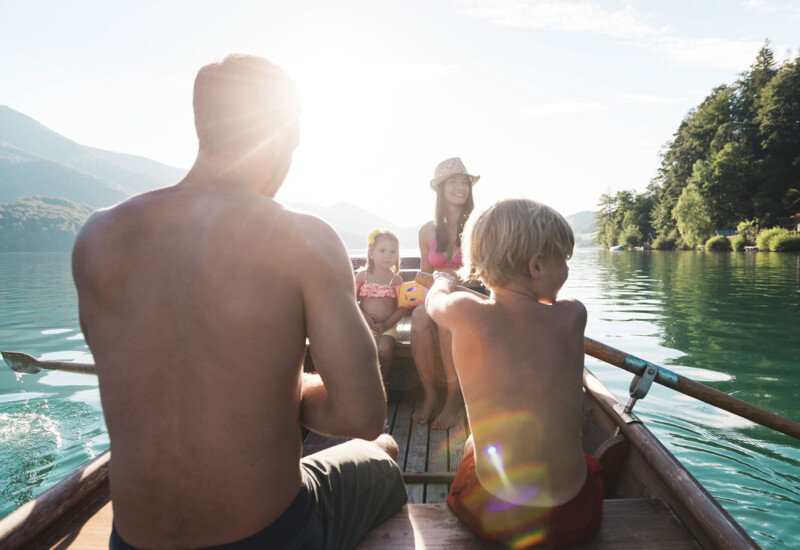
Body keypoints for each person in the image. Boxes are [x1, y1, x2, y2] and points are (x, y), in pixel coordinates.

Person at [72, 54, 406, 550]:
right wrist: (272, 390)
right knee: (382, 452)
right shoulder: (304, 239)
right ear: (285, 136)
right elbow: (361, 414)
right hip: (273, 537)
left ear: (203, 126)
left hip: (131, 541)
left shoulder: (97, 237)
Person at [424, 198, 603, 547]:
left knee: (476, 443)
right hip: (576, 515)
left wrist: (444, 281)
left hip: (497, 519)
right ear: (536, 266)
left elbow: (434, 302)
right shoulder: (573, 315)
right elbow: (540, 311)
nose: (566, 271)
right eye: (563, 261)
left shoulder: (465, 312)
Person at [411, 157, 480, 429]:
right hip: (437, 295)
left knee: (445, 323)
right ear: (440, 188)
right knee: (418, 317)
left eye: (465, 182)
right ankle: (430, 397)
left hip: (469, 295)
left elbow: (486, 273)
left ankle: (453, 400)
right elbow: (425, 276)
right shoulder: (427, 231)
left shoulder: (479, 225)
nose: (461, 187)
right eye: (453, 181)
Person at [355, 228, 406, 383]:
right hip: (364, 326)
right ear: (371, 253)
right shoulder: (362, 276)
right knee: (362, 349)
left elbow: (403, 307)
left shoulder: (396, 280)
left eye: (392, 252)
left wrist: (386, 324)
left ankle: (384, 383)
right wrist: (364, 316)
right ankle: (364, 383)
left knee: (384, 349)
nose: (388, 255)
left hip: (387, 328)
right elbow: (351, 299)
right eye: (382, 250)